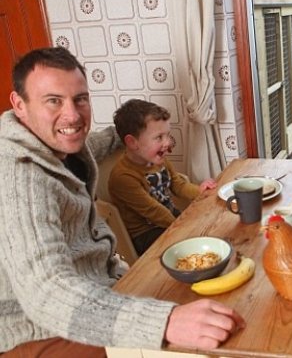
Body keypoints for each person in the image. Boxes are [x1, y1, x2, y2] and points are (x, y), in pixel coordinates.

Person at [0, 47, 244, 357]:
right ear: (19, 105)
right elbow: (46, 292)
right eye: (53, 101)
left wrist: (136, 132)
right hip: (40, 330)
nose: (72, 114)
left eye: (80, 99)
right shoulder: (17, 175)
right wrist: (164, 322)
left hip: (103, 289)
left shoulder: (63, 145)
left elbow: (99, 141)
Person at [109, 99, 217, 255]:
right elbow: (154, 211)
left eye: (167, 135)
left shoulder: (157, 160)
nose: (167, 142)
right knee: (194, 246)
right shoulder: (123, 177)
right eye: (159, 137)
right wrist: (183, 227)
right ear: (132, 143)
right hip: (147, 234)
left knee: (208, 225)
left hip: (170, 219)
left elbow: (179, 185)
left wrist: (200, 191)